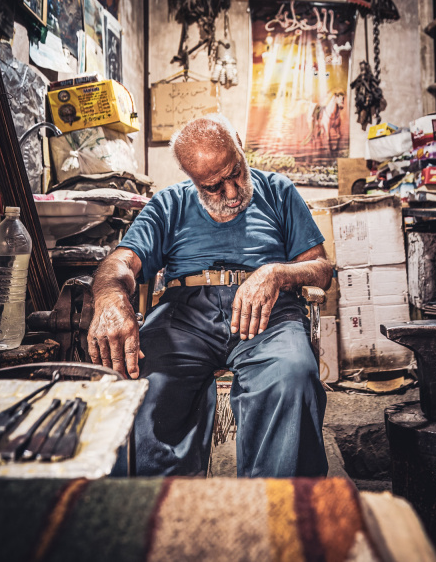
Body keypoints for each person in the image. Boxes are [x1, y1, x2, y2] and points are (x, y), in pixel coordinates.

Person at [88, 114, 332, 477]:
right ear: (192, 179)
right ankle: (161, 509)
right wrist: (110, 297)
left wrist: (277, 272)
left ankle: (280, 508)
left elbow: (322, 269)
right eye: (213, 187)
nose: (232, 193)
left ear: (239, 146)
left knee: (293, 375)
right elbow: (123, 260)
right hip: (184, 316)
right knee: (141, 384)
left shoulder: (278, 190)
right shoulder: (169, 203)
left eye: (236, 172)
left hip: (269, 311)